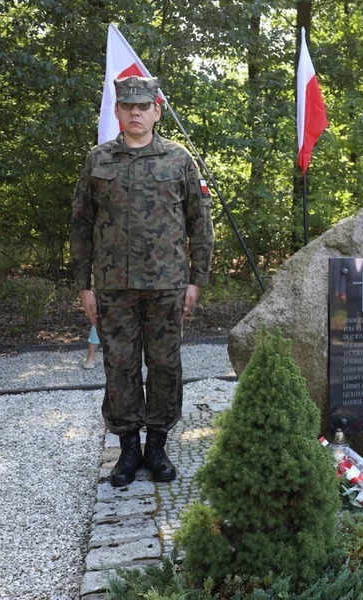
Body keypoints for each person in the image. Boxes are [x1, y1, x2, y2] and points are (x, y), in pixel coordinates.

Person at [71, 76, 214, 487]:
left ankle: (157, 446)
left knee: (165, 365)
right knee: (120, 366)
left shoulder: (178, 159)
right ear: (117, 111)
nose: (135, 112)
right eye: (128, 106)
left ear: (156, 111)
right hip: (113, 286)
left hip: (167, 285)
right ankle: (129, 448)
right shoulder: (98, 159)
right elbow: (81, 224)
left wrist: (197, 280)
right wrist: (84, 284)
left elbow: (200, 223)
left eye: (143, 106)